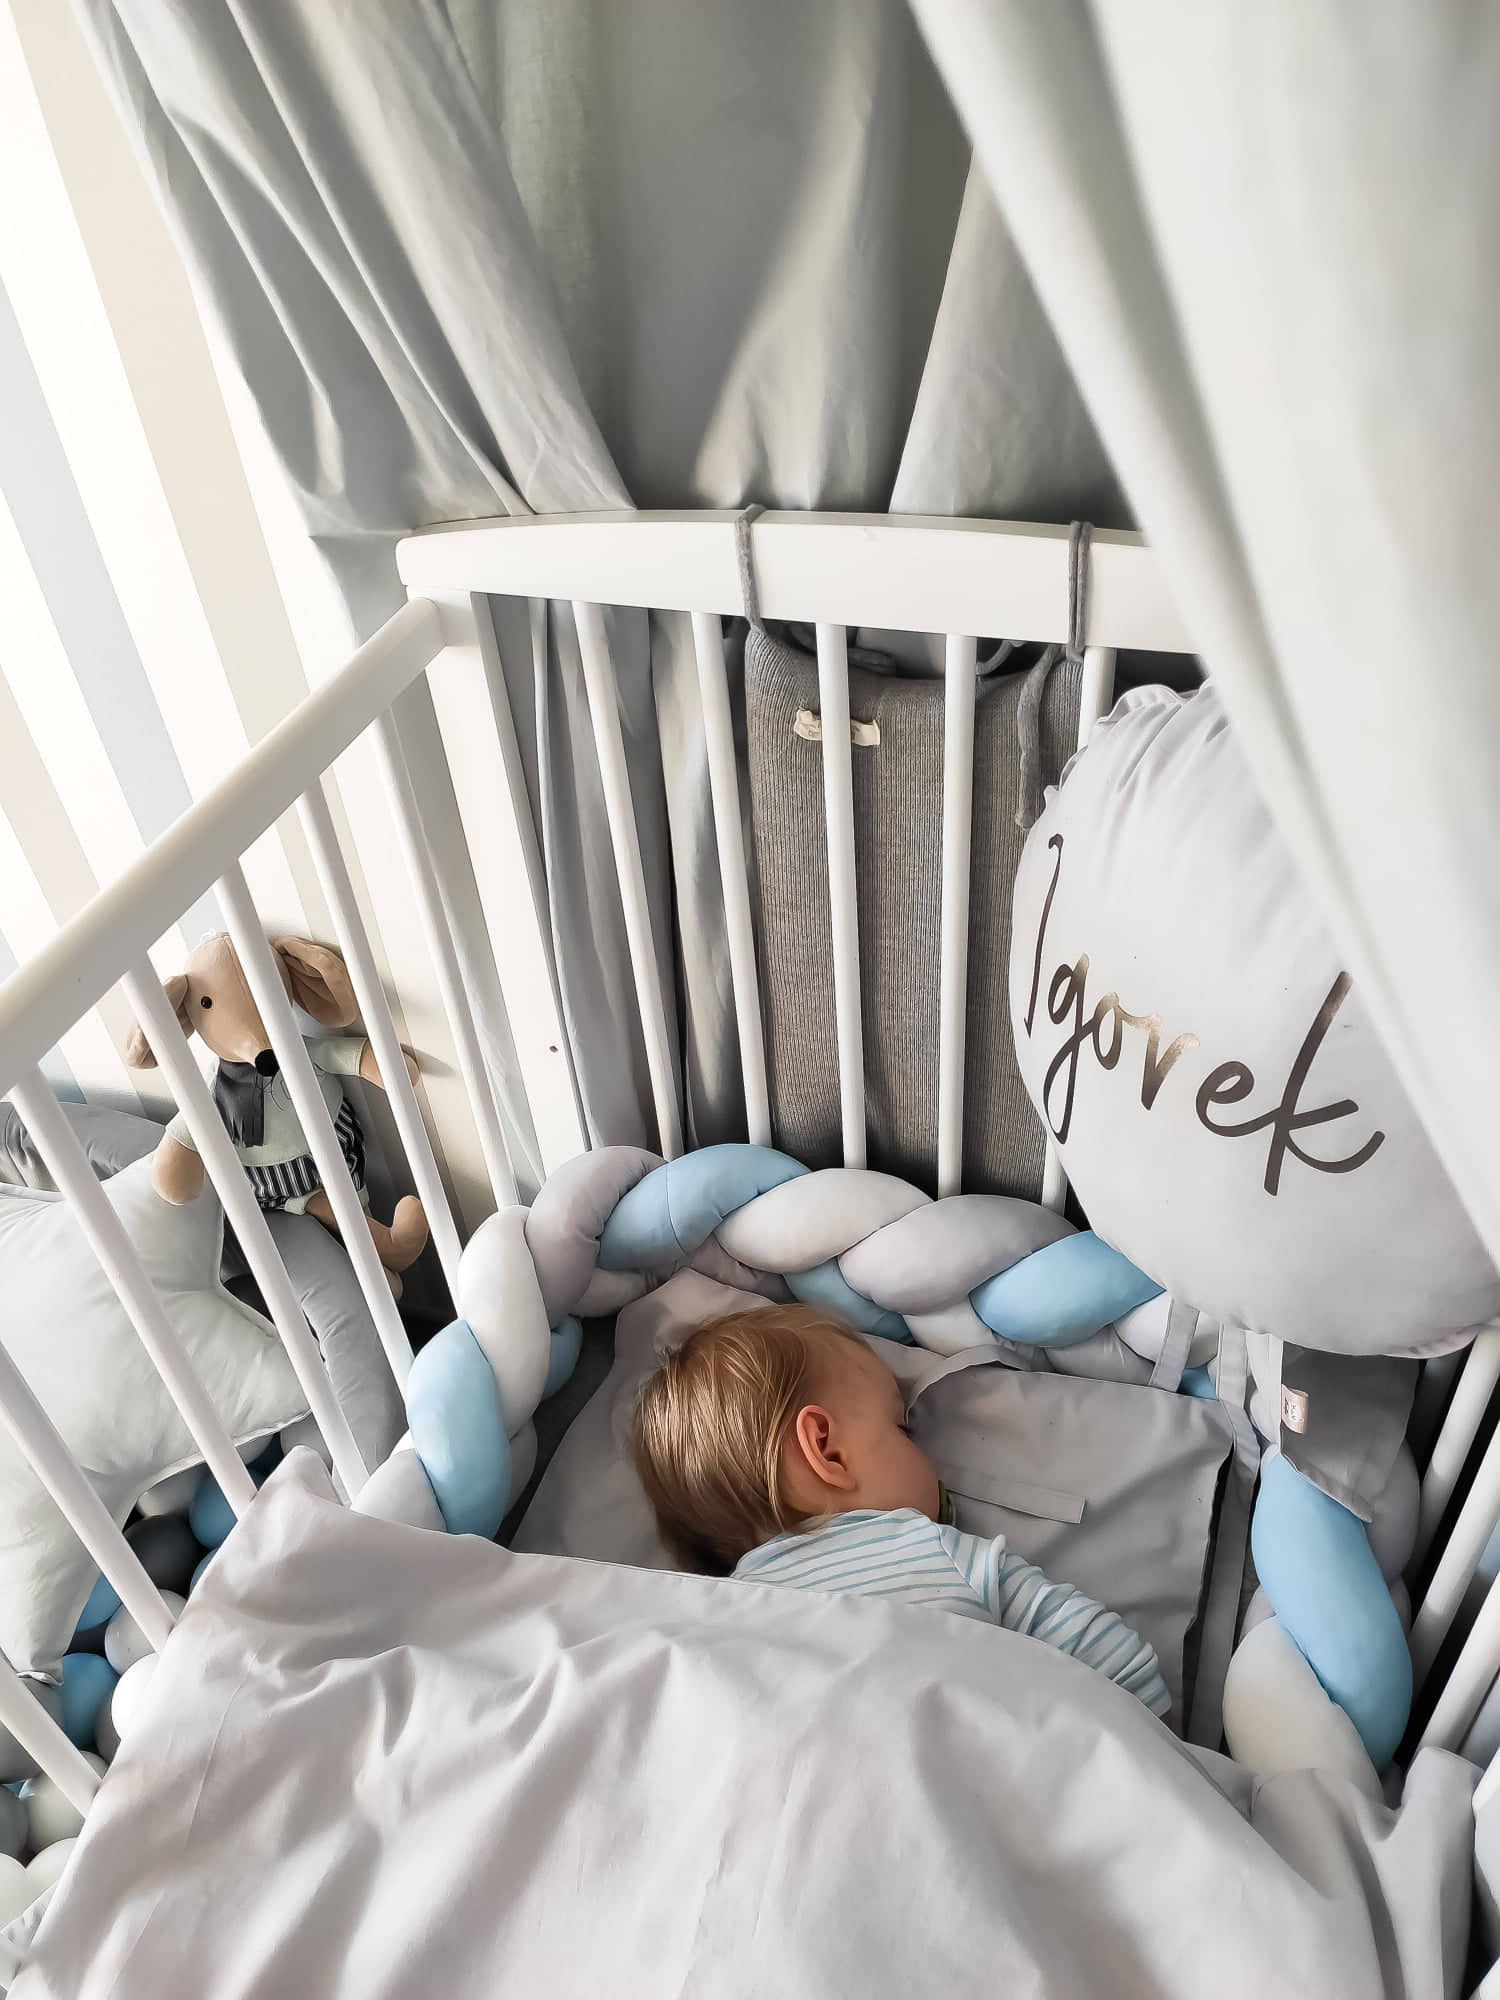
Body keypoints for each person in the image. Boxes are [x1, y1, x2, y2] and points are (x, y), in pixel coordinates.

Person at [632, 1302, 1170, 1717]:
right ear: (827, 1451)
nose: (924, 1455)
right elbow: (1112, 1661)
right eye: (900, 1427)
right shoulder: (924, 1548)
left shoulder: (712, 1615)